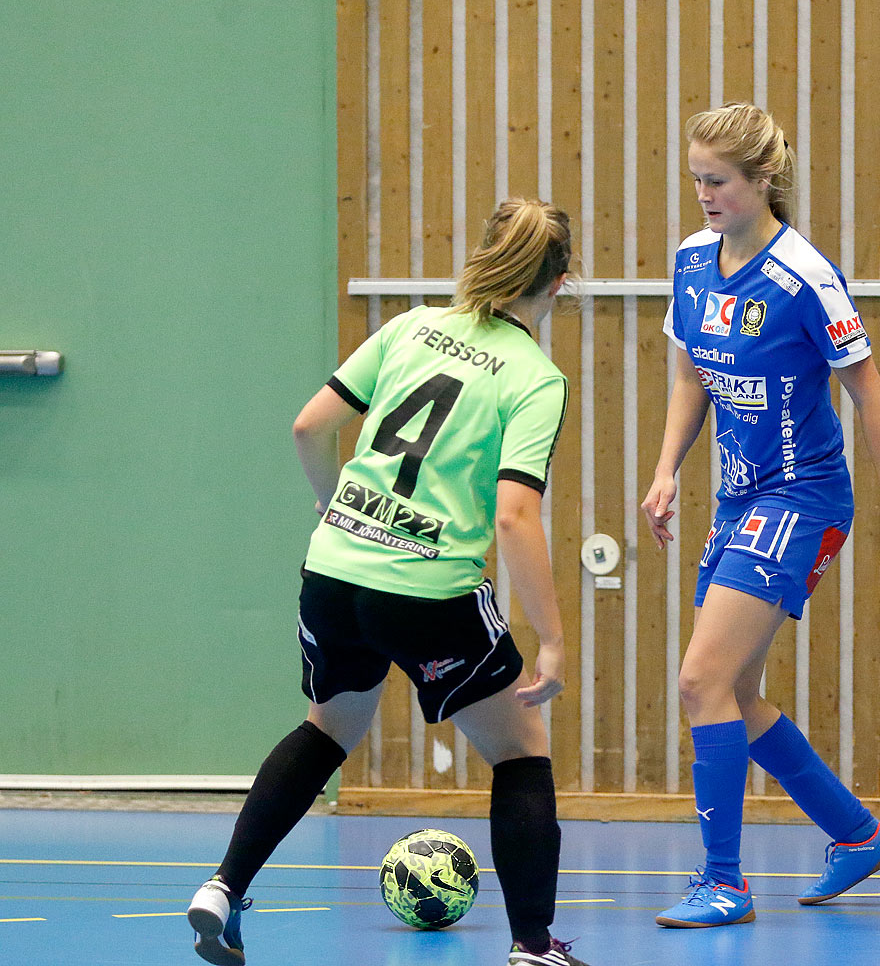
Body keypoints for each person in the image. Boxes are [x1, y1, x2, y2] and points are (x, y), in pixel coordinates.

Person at [187, 199, 591, 966]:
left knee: (328, 727)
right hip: (428, 590)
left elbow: (309, 426)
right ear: (560, 283)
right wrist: (554, 638)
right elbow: (513, 517)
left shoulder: (409, 326)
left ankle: (222, 886)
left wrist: (327, 496)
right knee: (520, 750)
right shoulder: (536, 378)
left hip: (334, 567)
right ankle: (534, 948)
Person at [640, 102, 880, 928]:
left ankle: (725, 882)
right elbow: (693, 375)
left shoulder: (804, 275)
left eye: (718, 181)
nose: (702, 195)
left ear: (762, 181)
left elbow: (867, 390)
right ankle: (856, 833)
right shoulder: (694, 261)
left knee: (700, 680)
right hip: (738, 496)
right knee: (735, 690)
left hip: (802, 498)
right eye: (695, 178)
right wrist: (666, 469)